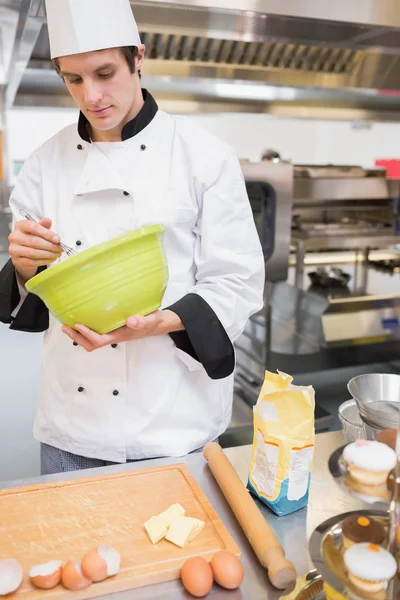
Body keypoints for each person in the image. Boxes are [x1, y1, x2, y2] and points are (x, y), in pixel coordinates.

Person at [0, 0, 264, 475]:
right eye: (74, 79)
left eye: (105, 73)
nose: (91, 95)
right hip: (72, 422)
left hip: (173, 420)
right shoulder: (43, 164)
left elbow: (237, 282)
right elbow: (35, 286)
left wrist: (160, 321)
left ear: (137, 57)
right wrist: (23, 267)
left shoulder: (204, 156)